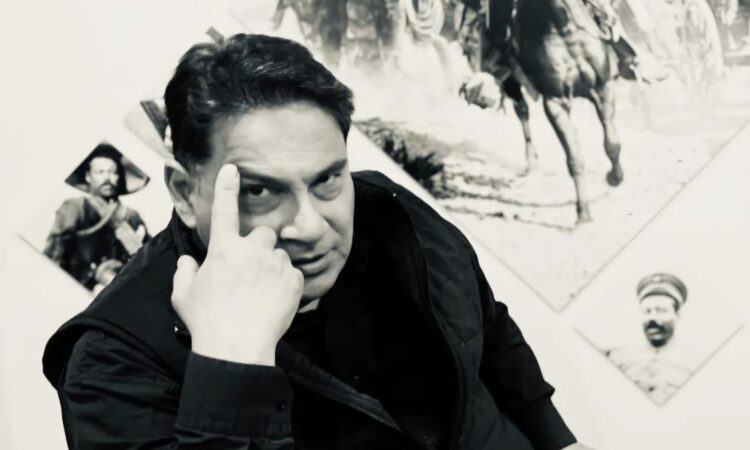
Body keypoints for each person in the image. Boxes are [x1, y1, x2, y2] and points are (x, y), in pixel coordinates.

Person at [43, 34, 593, 449]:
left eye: (328, 178)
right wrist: (230, 366)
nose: (309, 225)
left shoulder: (386, 207)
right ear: (186, 193)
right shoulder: (111, 362)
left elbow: (488, 330)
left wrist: (558, 440)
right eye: (260, 191)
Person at [43, 143, 150, 292]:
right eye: (100, 172)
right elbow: (54, 255)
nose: (107, 178)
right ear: (88, 176)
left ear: (119, 177)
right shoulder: (76, 207)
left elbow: (149, 260)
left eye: (113, 172)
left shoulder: (131, 216)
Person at [605, 273, 692, 405]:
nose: (652, 318)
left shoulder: (691, 365)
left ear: (677, 317)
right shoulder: (618, 359)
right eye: (647, 311)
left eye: (661, 310)